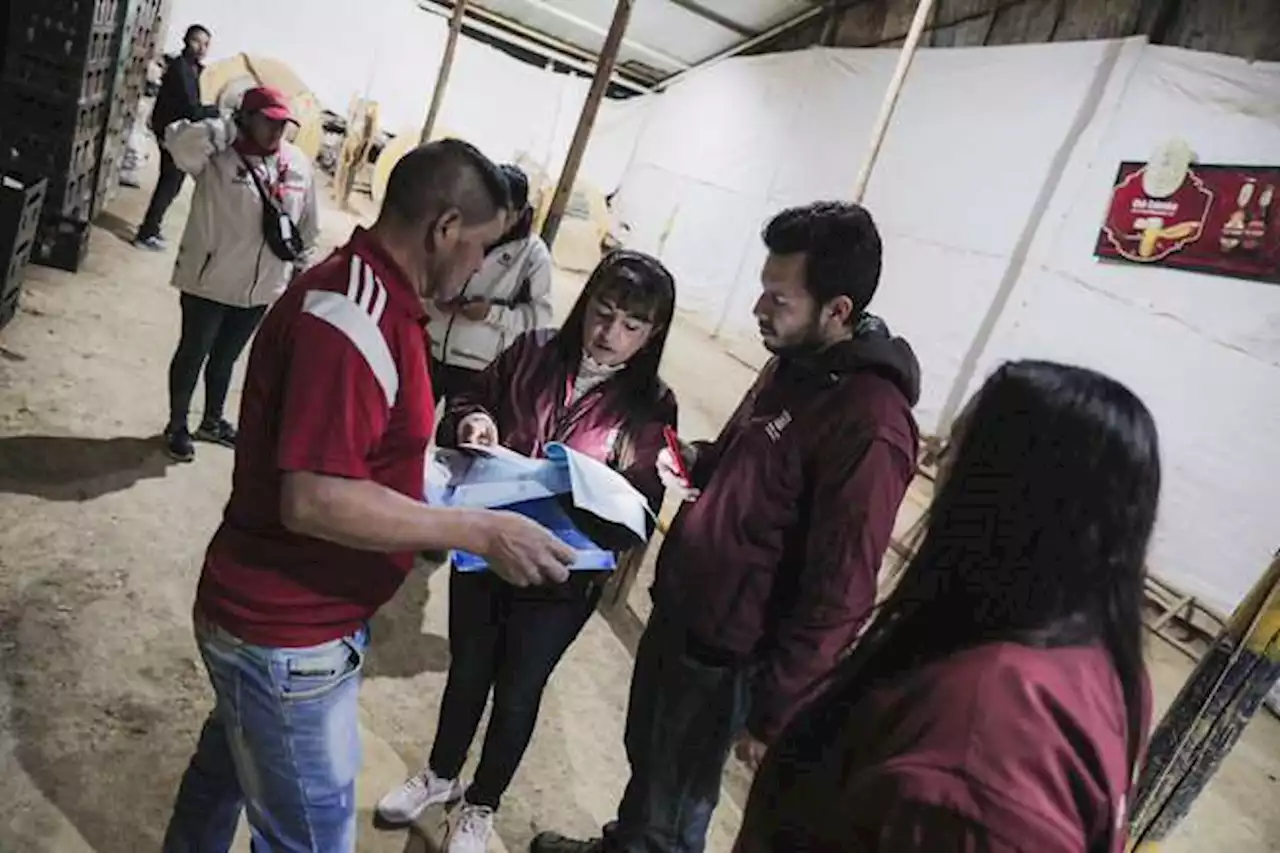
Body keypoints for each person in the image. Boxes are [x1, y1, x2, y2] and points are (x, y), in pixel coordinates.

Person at [160, 139, 577, 853]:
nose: (480, 267)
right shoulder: (350, 317)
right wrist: (474, 529)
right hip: (286, 630)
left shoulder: (386, 302)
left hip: (289, 621)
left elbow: (357, 455)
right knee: (310, 838)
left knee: (225, 771)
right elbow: (314, 499)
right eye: (480, 247)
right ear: (445, 228)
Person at [533, 201, 922, 853]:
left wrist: (773, 708)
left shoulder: (870, 424)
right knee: (650, 764)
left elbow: (842, 590)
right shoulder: (794, 365)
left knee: (679, 801)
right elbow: (754, 458)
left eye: (779, 298)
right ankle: (623, 843)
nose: (759, 310)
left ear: (839, 310)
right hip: (688, 615)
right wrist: (694, 459)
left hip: (732, 657)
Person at [732, 360, 1159, 853]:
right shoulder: (1098, 665)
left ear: (1004, 492)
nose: (936, 467)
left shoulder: (984, 743)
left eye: (958, 451)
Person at [377, 250, 679, 852]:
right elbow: (467, 403)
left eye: (630, 325)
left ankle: (481, 806)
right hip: (485, 546)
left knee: (519, 690)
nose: (609, 334)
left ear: (653, 334)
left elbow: (640, 506)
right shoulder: (533, 351)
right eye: (603, 313)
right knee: (467, 669)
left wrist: (588, 499)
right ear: (586, 304)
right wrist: (473, 423)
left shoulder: (653, 404)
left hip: (559, 577)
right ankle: (440, 775)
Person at [160, 86, 320, 462]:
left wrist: (299, 269)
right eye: (269, 121)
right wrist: (224, 129)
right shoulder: (215, 156)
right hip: (209, 279)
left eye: (284, 124)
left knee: (226, 358)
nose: (277, 131)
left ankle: (212, 420)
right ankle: (177, 424)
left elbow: (308, 225)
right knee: (193, 352)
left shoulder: (297, 163)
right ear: (246, 118)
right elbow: (177, 142)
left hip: (261, 287)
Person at [428, 163, 553, 401]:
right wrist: (436, 301)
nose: (492, 216)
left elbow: (541, 318)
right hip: (430, 349)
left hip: (479, 367)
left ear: (520, 212)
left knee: (460, 433)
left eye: (503, 211)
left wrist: (491, 314)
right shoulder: (460, 229)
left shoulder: (533, 255)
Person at [135, 24, 218, 250]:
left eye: (206, 44)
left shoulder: (193, 69)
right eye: (197, 42)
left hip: (178, 134)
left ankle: (152, 228)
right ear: (185, 41)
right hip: (170, 134)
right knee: (169, 183)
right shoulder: (180, 69)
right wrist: (216, 110)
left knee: (173, 183)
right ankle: (146, 232)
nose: (202, 48)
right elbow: (192, 109)